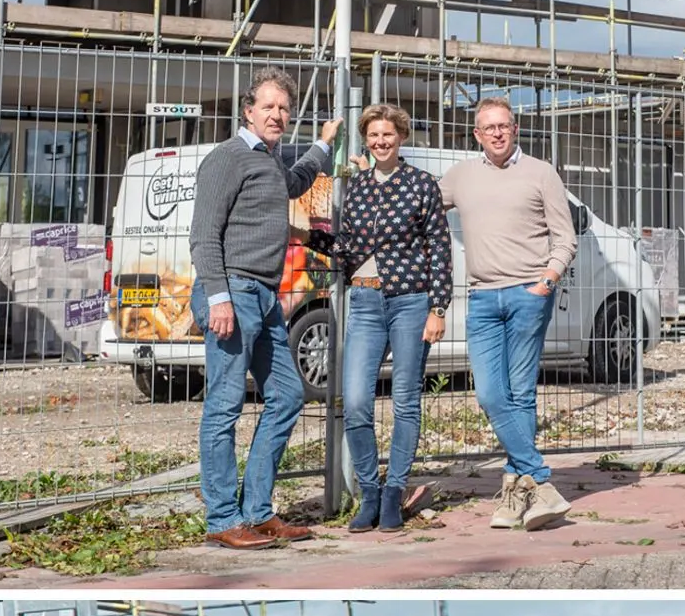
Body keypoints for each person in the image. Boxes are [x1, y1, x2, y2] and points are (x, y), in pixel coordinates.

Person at [193, 70, 329, 548]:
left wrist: (323, 146)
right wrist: (218, 297)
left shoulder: (269, 161)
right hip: (233, 290)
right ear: (248, 109)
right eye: (268, 106)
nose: (277, 115)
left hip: (265, 295)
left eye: (284, 109)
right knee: (225, 404)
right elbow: (204, 235)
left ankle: (257, 511)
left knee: (288, 395)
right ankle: (223, 520)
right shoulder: (227, 158)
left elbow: (293, 185)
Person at [440, 95, 577, 530]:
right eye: (489, 127)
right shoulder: (461, 176)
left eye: (505, 125)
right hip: (482, 298)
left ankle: (515, 499)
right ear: (477, 134)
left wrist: (545, 283)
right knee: (490, 395)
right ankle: (540, 483)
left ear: (515, 129)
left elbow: (565, 237)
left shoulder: (541, 173)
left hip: (527, 295)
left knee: (520, 395)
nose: (497, 133)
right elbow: (418, 206)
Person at [320, 101, 451, 534]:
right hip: (365, 300)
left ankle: (395, 491)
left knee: (405, 401)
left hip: (411, 302)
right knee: (356, 400)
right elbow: (347, 245)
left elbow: (439, 248)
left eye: (388, 134)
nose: (380, 142)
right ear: (367, 139)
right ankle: (370, 493)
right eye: (373, 135)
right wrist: (310, 238)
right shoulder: (357, 187)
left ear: (402, 137)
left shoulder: (421, 184)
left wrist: (438, 308)